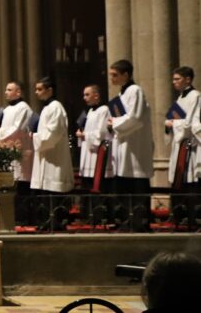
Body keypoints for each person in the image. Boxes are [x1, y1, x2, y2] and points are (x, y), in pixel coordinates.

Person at [107, 60, 154, 231]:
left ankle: (140, 223)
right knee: (124, 186)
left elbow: (136, 117)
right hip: (124, 147)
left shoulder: (135, 91)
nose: (111, 78)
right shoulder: (120, 96)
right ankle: (126, 221)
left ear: (125, 75)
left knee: (137, 184)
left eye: (114, 75)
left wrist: (115, 123)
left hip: (136, 149)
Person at [29, 77, 75, 229]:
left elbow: (53, 134)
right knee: (46, 194)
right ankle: (47, 222)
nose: (36, 92)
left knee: (53, 192)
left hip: (54, 158)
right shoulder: (47, 108)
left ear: (50, 90)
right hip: (47, 156)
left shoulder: (56, 107)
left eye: (39, 89)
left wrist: (34, 137)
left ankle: (56, 223)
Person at [0, 81, 34, 225]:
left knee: (19, 186)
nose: (6, 92)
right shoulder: (7, 110)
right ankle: (9, 218)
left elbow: (17, 130)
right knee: (6, 186)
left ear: (18, 92)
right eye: (6, 90)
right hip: (7, 152)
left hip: (18, 153)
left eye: (9, 90)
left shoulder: (24, 108)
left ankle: (22, 219)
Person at [165, 67, 200, 226]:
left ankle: (193, 217)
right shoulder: (179, 99)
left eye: (177, 79)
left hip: (189, 146)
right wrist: (169, 124)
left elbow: (190, 124)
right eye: (173, 79)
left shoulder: (195, 96)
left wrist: (173, 123)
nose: (174, 82)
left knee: (190, 180)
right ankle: (180, 215)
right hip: (179, 146)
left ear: (188, 79)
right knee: (179, 180)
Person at [75, 85, 113, 194]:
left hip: (97, 154)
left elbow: (101, 133)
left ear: (96, 95)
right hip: (87, 153)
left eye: (87, 94)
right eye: (84, 95)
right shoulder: (90, 111)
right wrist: (81, 134)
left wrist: (84, 135)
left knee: (98, 186)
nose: (84, 97)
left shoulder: (104, 110)